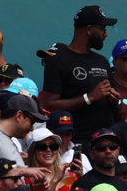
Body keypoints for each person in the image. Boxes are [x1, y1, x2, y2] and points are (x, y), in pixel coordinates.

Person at [41, 7, 119, 140]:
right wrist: (89, 97)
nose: (105, 34)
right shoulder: (58, 61)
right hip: (77, 142)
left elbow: (113, 104)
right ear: (89, 29)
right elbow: (48, 105)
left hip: (106, 145)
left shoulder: (102, 61)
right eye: (102, 29)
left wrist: (115, 100)